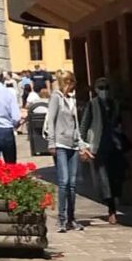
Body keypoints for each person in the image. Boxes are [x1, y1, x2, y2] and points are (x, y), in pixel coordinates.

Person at [81, 77, 129, 223]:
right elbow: (84, 124)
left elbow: (119, 121)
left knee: (116, 175)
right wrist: (83, 145)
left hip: (114, 144)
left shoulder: (115, 104)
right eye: (101, 88)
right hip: (99, 145)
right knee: (104, 178)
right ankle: (111, 209)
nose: (104, 91)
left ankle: (115, 199)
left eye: (106, 87)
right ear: (96, 90)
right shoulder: (92, 104)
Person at [44, 69, 83, 232]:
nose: (74, 86)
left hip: (73, 144)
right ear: (67, 83)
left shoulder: (71, 100)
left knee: (72, 184)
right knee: (63, 181)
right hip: (60, 144)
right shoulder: (56, 98)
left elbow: (76, 124)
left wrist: (81, 143)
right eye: (72, 83)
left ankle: (72, 218)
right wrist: (51, 143)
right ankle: (61, 218)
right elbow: (51, 121)